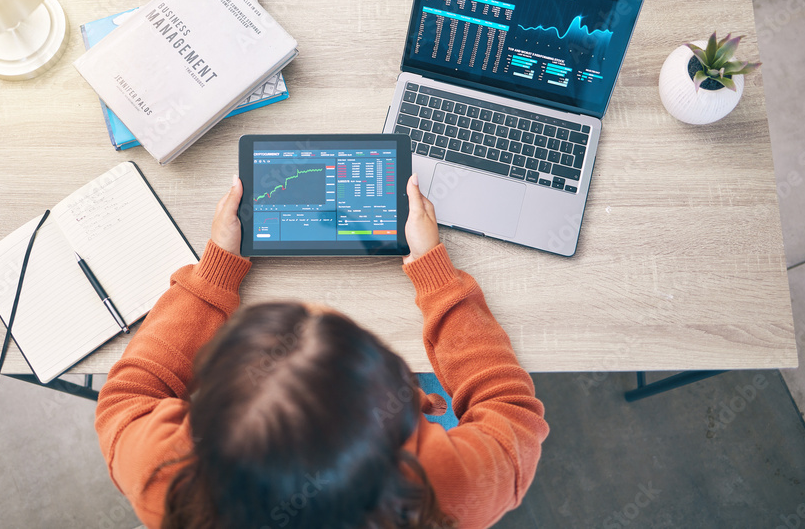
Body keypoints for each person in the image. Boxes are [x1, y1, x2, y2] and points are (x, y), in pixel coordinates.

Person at [95, 174, 548, 529]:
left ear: (203, 411)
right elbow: (509, 411)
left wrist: (214, 274)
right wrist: (436, 276)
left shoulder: (162, 477)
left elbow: (126, 394)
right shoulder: (443, 490)